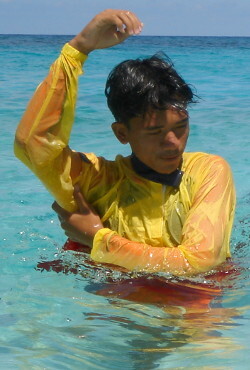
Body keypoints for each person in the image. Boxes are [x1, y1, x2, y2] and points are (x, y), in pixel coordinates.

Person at [14, 9, 236, 276]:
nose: (173, 143)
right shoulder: (99, 181)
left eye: (181, 127)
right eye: (155, 132)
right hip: (119, 308)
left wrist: (97, 237)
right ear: (122, 133)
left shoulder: (207, 171)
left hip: (195, 308)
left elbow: (199, 262)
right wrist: (78, 49)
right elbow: (33, 144)